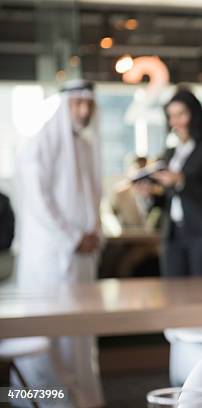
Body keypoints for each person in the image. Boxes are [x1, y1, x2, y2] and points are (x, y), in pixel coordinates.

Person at [16, 79, 104, 407]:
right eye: (76, 103)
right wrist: (72, 237)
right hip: (51, 257)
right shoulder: (38, 143)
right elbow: (39, 204)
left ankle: (82, 398)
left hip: (82, 255)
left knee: (80, 334)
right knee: (51, 337)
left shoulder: (83, 145)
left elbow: (91, 198)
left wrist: (94, 232)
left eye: (88, 104)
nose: (83, 110)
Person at [151, 88, 202, 277]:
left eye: (181, 114)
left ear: (194, 114)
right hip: (174, 235)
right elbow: (169, 201)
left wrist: (181, 181)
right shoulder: (170, 153)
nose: (175, 122)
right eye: (171, 116)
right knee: (174, 296)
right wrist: (150, 194)